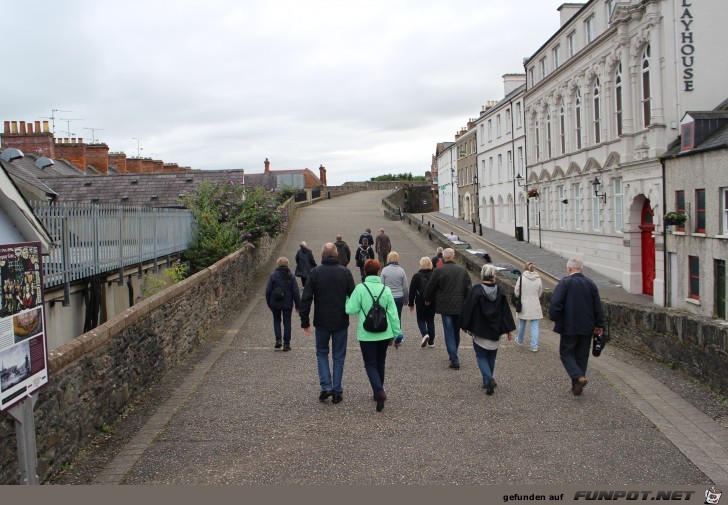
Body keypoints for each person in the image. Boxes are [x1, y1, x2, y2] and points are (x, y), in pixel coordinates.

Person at [300, 243, 356, 404]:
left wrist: (305, 322)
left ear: (322, 255)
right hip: (340, 321)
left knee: (322, 352)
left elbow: (306, 298)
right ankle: (337, 390)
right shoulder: (345, 272)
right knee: (338, 356)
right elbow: (353, 295)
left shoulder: (315, 272)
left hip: (322, 321)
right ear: (337, 255)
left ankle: (326, 387)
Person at [345, 259, 401, 412]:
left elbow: (350, 310)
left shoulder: (360, 288)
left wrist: (347, 298)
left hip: (366, 334)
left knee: (370, 364)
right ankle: (378, 392)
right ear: (379, 272)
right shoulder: (386, 290)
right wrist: (397, 333)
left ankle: (379, 391)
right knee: (380, 362)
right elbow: (393, 314)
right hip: (384, 333)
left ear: (364, 272)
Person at [549, 257, 605, 396]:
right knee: (582, 355)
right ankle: (577, 386)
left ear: (569, 269)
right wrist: (599, 324)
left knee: (566, 353)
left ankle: (578, 378)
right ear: (581, 269)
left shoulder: (565, 283)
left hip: (569, 326)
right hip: (587, 326)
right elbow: (597, 306)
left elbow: (556, 304)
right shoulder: (590, 284)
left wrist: (554, 318)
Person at [461, 264, 516, 395]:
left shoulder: (476, 291)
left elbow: (468, 309)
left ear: (482, 275)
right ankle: (488, 380)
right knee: (492, 355)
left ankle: (488, 379)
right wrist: (509, 329)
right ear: (493, 276)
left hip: (480, 329)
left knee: (481, 356)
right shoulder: (500, 291)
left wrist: (464, 324)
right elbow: (506, 312)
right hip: (495, 330)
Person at [423, 248, 472, 369]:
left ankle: (454, 359)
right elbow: (469, 289)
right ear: (454, 257)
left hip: (445, 306)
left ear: (443, 258)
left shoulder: (438, 270)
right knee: (456, 332)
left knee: (449, 333)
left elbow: (431, 287)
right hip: (460, 306)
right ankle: (453, 354)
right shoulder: (463, 270)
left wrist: (427, 299)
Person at [265, 257, 301, 351]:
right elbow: (295, 292)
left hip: (275, 303)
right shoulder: (291, 276)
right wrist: (298, 305)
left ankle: (278, 340)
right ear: (287, 264)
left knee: (276, 320)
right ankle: (286, 344)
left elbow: (268, 290)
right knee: (287, 322)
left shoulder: (273, 275)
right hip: (287, 303)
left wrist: (269, 303)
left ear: (278, 264)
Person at [514, 262, 544, 352]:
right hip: (535, 304)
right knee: (535, 326)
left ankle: (520, 340)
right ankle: (534, 346)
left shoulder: (521, 278)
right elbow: (540, 292)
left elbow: (516, 292)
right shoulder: (538, 278)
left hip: (524, 303)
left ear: (525, 268)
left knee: (522, 323)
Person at [380, 251, 408, 348]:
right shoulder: (401, 270)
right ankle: (398, 335)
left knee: (387, 316)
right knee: (397, 316)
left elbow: (381, 285)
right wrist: (406, 298)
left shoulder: (384, 270)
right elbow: (405, 286)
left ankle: (388, 336)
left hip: (387, 297)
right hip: (399, 297)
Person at [408, 257, 436, 348]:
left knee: (421, 319)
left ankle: (425, 334)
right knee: (430, 320)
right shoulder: (434, 274)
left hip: (420, 300)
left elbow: (412, 290)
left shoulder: (417, 275)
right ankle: (431, 341)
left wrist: (411, 303)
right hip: (432, 301)